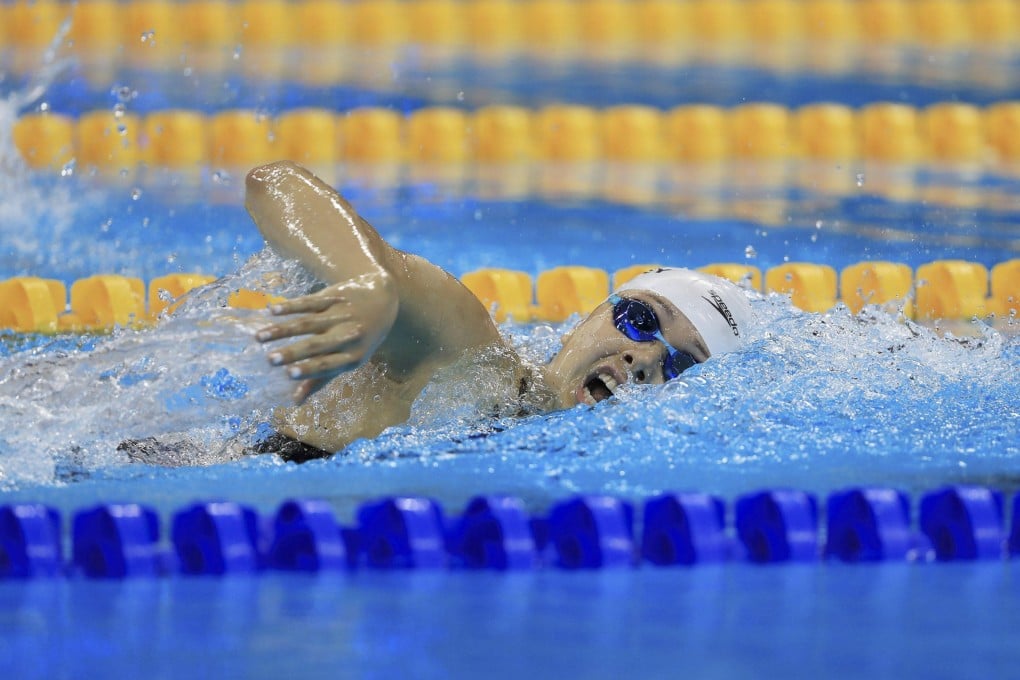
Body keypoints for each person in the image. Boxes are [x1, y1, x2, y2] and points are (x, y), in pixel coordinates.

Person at [246, 161, 755, 461]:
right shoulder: (467, 357)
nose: (642, 359)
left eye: (681, 365)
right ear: (593, 314)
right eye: (641, 320)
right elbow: (274, 182)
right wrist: (367, 282)